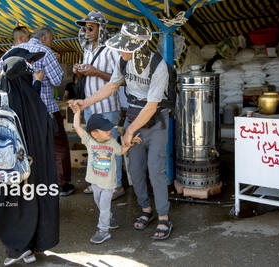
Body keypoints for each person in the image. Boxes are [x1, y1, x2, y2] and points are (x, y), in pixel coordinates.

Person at [70, 22, 173, 240]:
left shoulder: (158, 67)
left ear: (138, 47)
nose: (119, 50)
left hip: (156, 122)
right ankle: (146, 209)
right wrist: (85, 103)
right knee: (135, 170)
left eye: (124, 47)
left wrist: (129, 131)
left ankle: (164, 216)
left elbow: (152, 106)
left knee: (156, 170)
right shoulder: (123, 61)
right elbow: (111, 86)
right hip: (134, 116)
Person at [0, 49, 59, 265]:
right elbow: (50, 127)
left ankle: (17, 250)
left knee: (11, 206)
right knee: (33, 203)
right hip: (33, 169)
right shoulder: (34, 101)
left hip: (8, 169)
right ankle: (31, 248)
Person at [0, 27, 75, 197]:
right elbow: (57, 80)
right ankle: (62, 184)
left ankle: (34, 182)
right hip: (46, 108)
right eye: (51, 39)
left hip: (21, 110)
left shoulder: (12, 52)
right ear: (45, 38)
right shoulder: (45, 51)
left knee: (30, 146)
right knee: (58, 146)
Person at [71, 105, 140, 243]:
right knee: (99, 203)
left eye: (109, 128)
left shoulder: (112, 142)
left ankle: (103, 230)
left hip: (108, 184)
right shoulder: (89, 141)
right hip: (94, 182)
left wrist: (129, 143)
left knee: (103, 206)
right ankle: (108, 217)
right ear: (94, 133)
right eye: (105, 129)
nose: (109, 131)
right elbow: (77, 127)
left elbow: (120, 151)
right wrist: (78, 112)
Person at [74, 11, 125, 199]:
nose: (86, 31)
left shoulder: (112, 50)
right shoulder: (87, 50)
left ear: (100, 29)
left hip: (108, 107)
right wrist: (78, 71)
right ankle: (98, 183)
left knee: (110, 146)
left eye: (90, 27)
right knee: (95, 147)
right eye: (85, 28)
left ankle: (117, 185)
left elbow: (120, 79)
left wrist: (96, 72)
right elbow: (86, 76)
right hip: (90, 107)